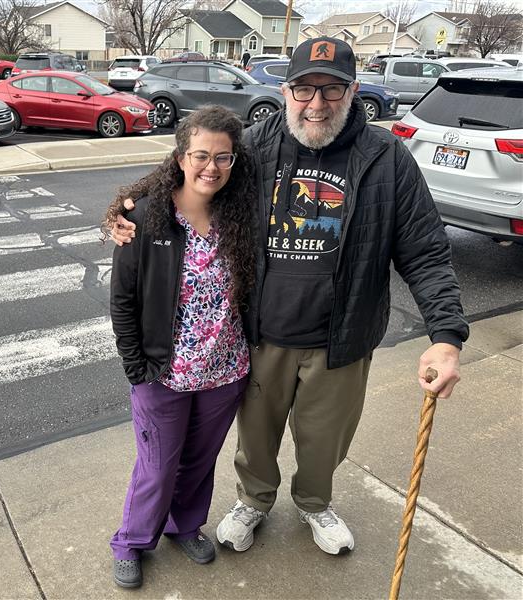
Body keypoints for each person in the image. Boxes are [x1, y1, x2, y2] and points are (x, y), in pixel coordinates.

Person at [106, 36, 468, 558]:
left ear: (354, 90)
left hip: (340, 339)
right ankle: (253, 501)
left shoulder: (386, 158)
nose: (316, 104)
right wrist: (125, 208)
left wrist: (446, 336)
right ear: (285, 89)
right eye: (303, 89)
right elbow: (191, 172)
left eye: (331, 89)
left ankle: (315, 501)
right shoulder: (254, 145)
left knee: (324, 443)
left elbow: (427, 252)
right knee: (255, 442)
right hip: (259, 336)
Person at [107, 106, 260, 588]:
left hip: (225, 370)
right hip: (163, 374)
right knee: (157, 467)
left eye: (223, 157)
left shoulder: (240, 210)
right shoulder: (145, 216)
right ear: (180, 156)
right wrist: (137, 368)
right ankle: (132, 540)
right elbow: (123, 298)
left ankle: (184, 526)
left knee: (197, 462)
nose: (210, 167)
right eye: (200, 155)